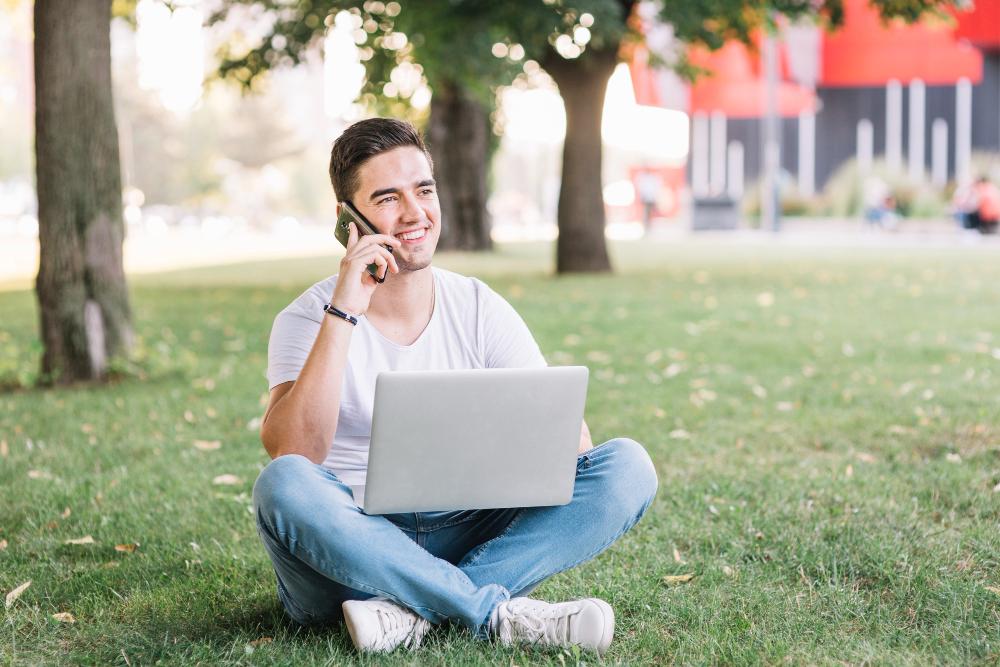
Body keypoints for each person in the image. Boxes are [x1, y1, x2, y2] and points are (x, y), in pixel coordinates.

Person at [252, 118, 658, 655]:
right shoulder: (307, 318)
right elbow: (296, 452)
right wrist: (345, 311)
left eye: (423, 190)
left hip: (465, 528)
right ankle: (490, 612)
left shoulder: (477, 305)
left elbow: (572, 445)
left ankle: (406, 611)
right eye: (388, 198)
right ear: (347, 220)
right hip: (349, 549)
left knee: (627, 467)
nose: (415, 213)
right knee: (282, 484)